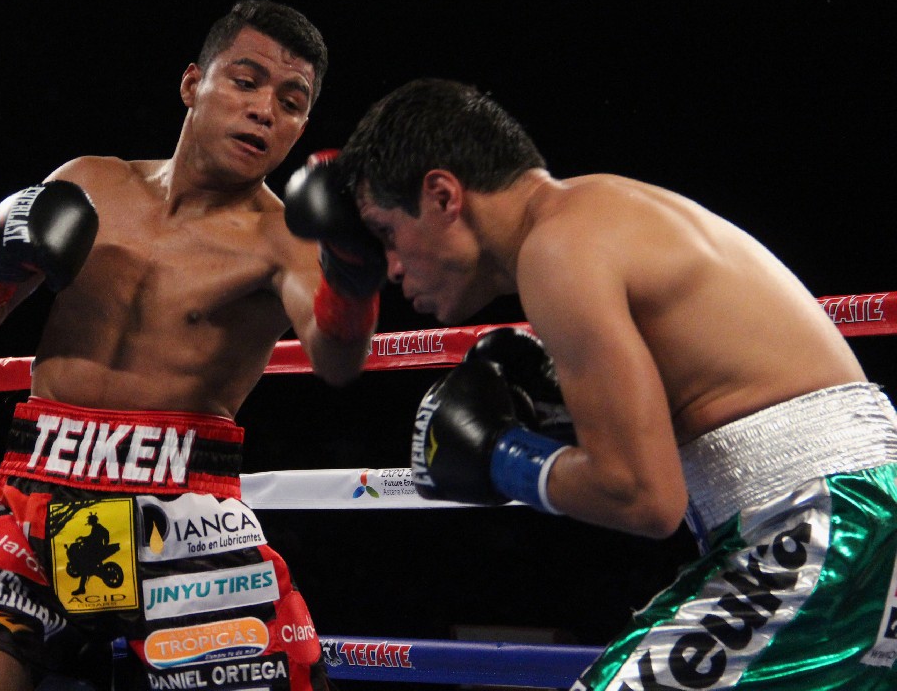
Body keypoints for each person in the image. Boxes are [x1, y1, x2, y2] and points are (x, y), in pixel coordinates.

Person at [332, 77, 897, 689]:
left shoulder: (557, 250)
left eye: (387, 232)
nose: (392, 267)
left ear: (443, 195)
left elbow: (643, 497)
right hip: (854, 515)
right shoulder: (596, 212)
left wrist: (500, 457)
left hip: (826, 524)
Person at [0, 0, 383, 691]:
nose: (265, 110)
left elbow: (337, 357)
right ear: (192, 84)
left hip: (185, 517)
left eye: (291, 102)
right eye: (246, 81)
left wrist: (352, 275)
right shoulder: (88, 183)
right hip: (34, 497)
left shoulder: (285, 238)